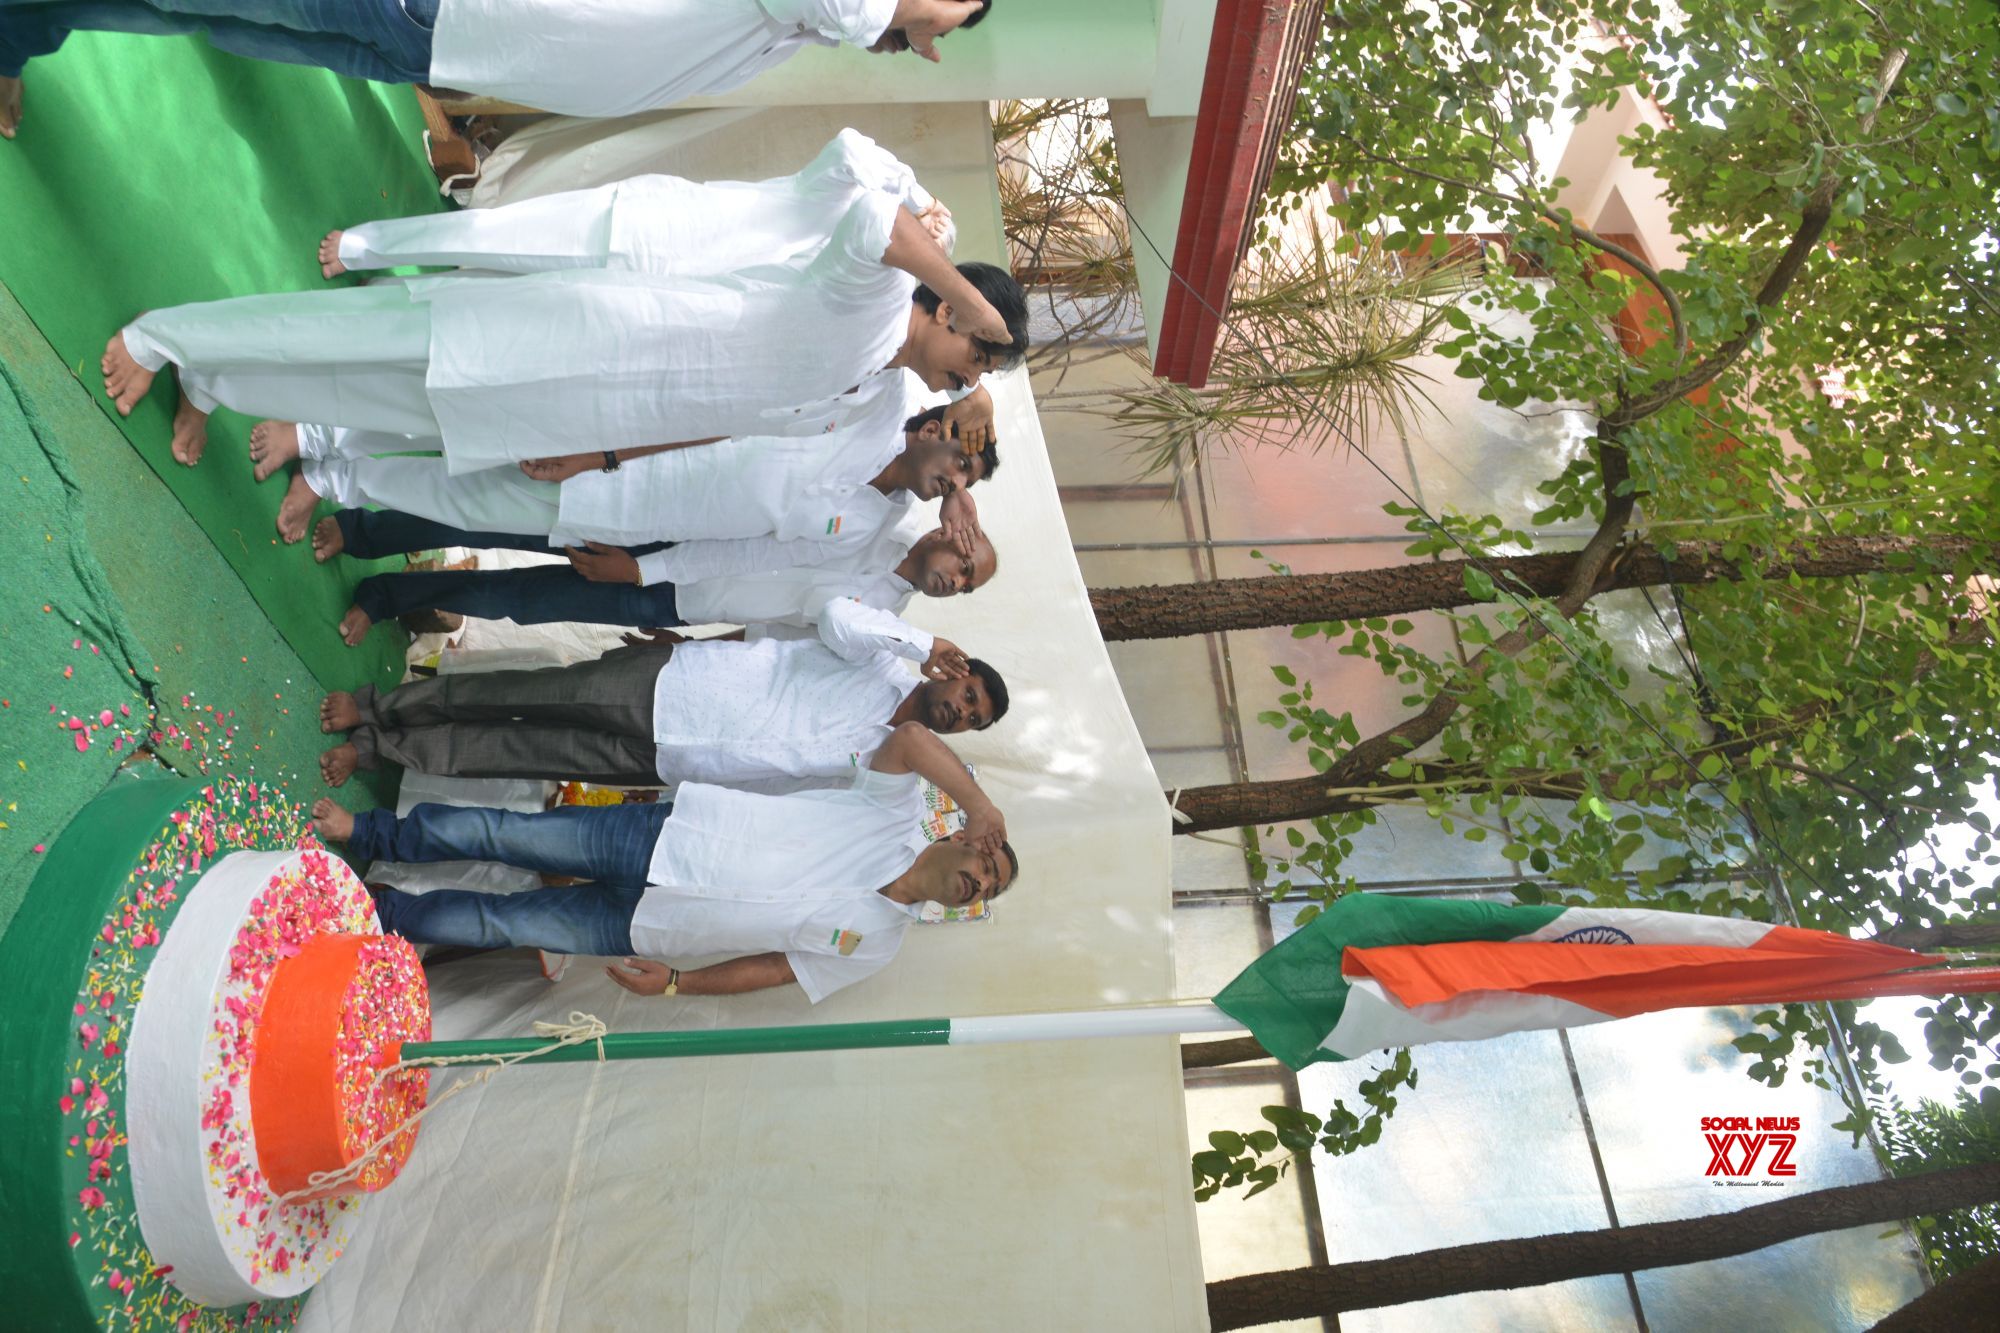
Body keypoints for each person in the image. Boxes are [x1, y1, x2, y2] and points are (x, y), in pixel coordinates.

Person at [100, 130, 1029, 468]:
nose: (964, 380)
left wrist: (599, 447)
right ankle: (160, 336)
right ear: (954, 316)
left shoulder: (870, 381)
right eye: (980, 354)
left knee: (366, 398)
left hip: (575, 398)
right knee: (365, 334)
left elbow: (730, 416)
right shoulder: (876, 292)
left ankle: (218, 381)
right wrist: (953, 275)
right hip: (580, 320)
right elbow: (871, 208)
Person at [309, 718, 1017, 1002]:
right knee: (506, 833)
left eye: (984, 891)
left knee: (503, 923)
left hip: (655, 928)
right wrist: (982, 801)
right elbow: (915, 734)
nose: (973, 884)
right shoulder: (892, 811)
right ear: (959, 836)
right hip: (668, 837)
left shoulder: (880, 944)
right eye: (984, 865)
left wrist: (680, 982)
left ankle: (375, 913)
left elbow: (777, 967)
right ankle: (367, 831)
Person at [0, 2, 993, 140]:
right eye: (951, 12)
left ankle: (23, 31)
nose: (937, 34)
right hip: (440, 8)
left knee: (207, 18)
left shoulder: (808, 26)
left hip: (439, 42)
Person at [315, 594, 1010, 789]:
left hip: (674, 764)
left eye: (972, 717)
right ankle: (378, 707)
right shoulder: (881, 654)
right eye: (969, 691)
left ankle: (379, 749)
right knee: (517, 693)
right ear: (956, 669)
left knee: (512, 750)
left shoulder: (891, 765)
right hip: (675, 689)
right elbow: (834, 614)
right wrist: (921, 644)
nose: (961, 708)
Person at [266, 398, 996, 548]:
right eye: (960, 463)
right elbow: (728, 417)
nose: (956, 483)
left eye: (967, 480)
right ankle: (318, 429)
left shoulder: (876, 524)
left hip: (626, 515)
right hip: (614, 440)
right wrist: (602, 453)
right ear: (935, 429)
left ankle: (334, 480)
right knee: (473, 419)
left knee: (464, 502)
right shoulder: (877, 405)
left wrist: (640, 558)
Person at [327, 514, 996, 645]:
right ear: (951, 534)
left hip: (673, 599)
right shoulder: (888, 511)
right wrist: (957, 494)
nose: (954, 582)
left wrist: (687, 642)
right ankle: (359, 532)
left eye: (966, 586)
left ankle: (384, 597)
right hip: (666, 530)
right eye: (964, 563)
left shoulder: (884, 619)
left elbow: (774, 633)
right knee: (501, 526)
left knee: (515, 599)